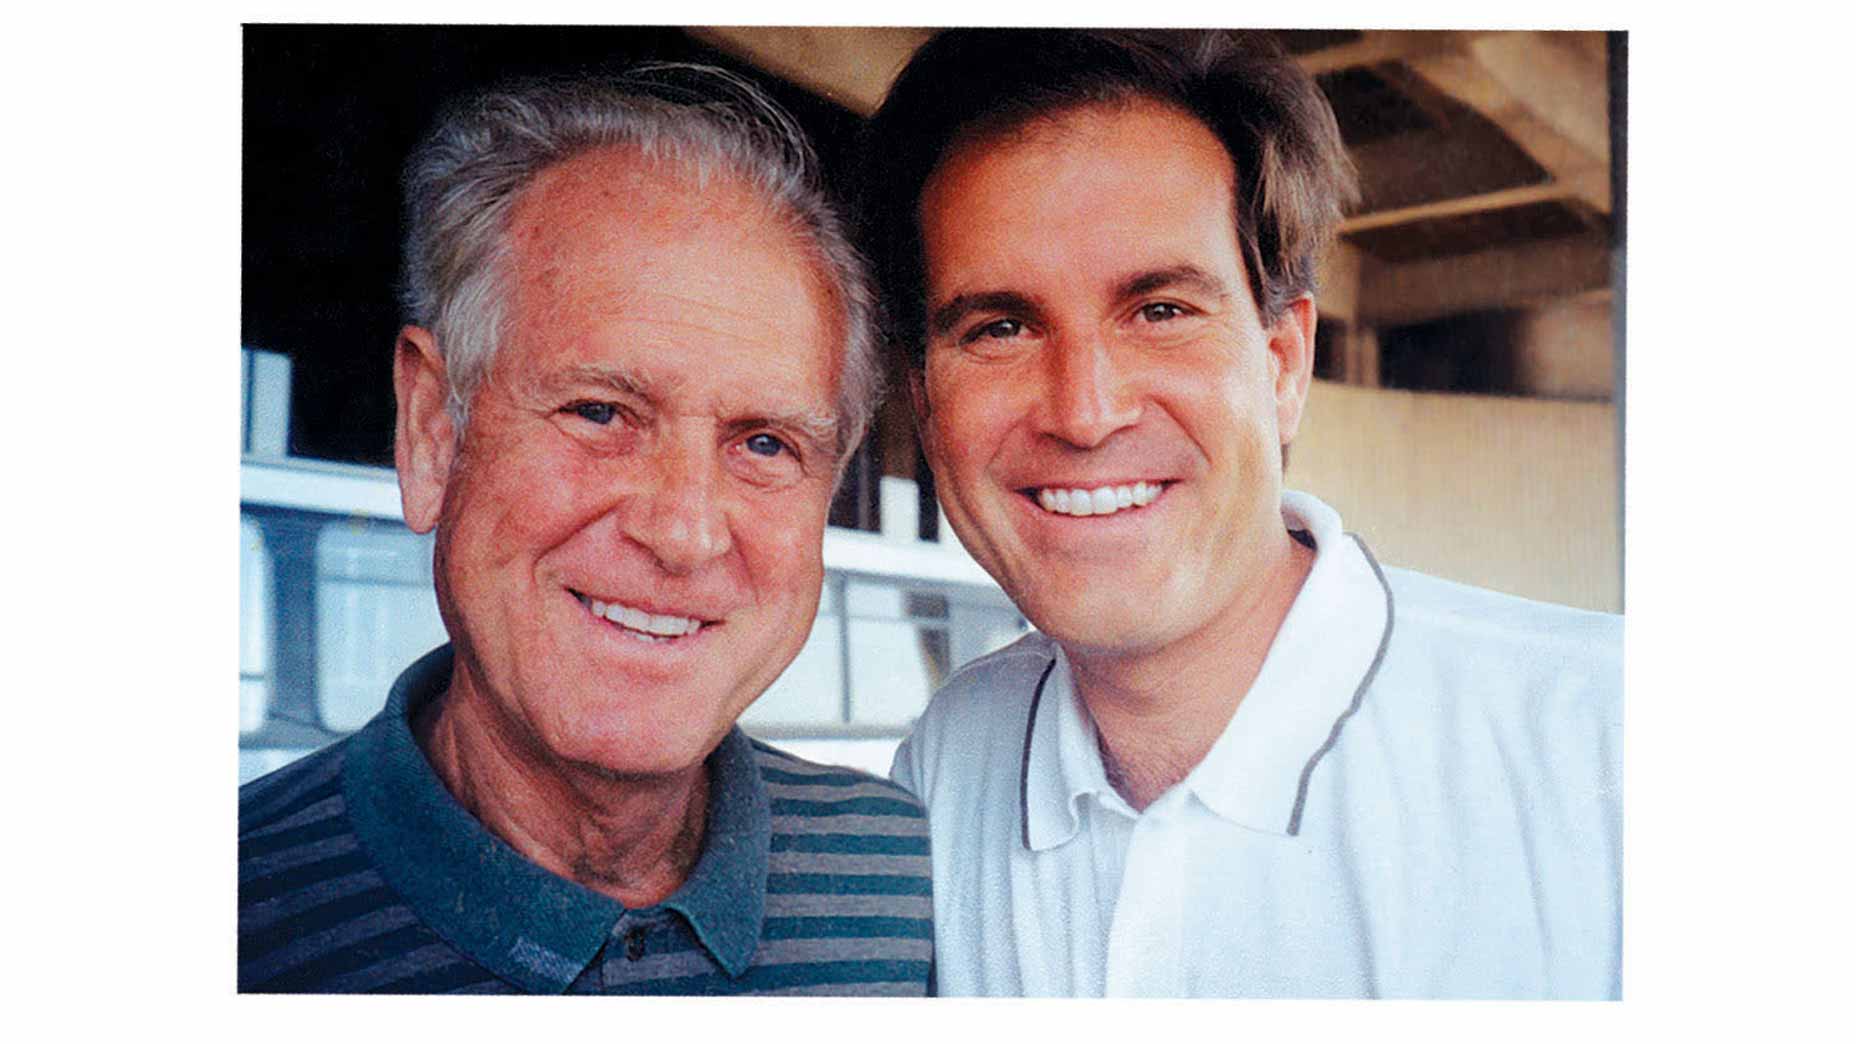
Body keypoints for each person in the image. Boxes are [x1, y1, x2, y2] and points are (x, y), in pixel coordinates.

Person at [864, 29, 1621, 999]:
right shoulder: (942, 770)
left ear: (1281, 366)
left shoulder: (1608, 751)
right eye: (1000, 328)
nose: (1085, 412)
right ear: (924, 405)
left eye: (1160, 310)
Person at [238, 66, 932, 995]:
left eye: (764, 442)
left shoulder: (914, 886)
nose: (684, 532)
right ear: (434, 433)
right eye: (600, 412)